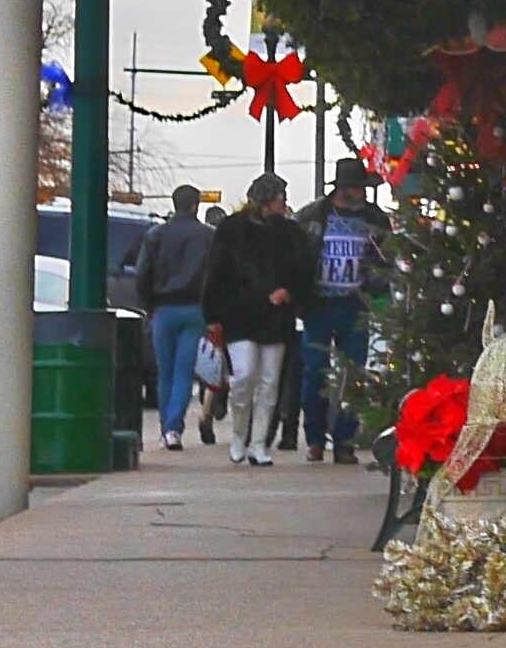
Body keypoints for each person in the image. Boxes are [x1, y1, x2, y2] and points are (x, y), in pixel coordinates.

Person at [200, 170, 317, 466]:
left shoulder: (291, 234)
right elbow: (215, 272)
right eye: (281, 199)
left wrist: (288, 291)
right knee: (244, 376)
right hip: (240, 314)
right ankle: (239, 435)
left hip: (276, 316)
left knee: (270, 382)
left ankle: (258, 443)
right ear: (269, 201)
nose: (284, 204)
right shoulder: (231, 229)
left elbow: (305, 269)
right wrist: (213, 315)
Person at [297, 162, 387, 462]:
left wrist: (375, 290)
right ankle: (314, 438)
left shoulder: (375, 218)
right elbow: (294, 254)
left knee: (353, 376)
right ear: (340, 188)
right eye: (355, 187)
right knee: (314, 374)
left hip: (355, 305)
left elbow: (387, 259)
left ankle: (345, 441)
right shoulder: (312, 216)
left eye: (363, 187)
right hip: (318, 304)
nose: (360, 193)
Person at [134, 184, 212, 447]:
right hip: (194, 309)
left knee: (164, 371)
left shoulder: (155, 235)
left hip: (163, 309)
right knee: (184, 371)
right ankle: (173, 427)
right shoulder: (206, 236)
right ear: (195, 205)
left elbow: (142, 272)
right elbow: (215, 276)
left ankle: (166, 425)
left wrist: (149, 304)